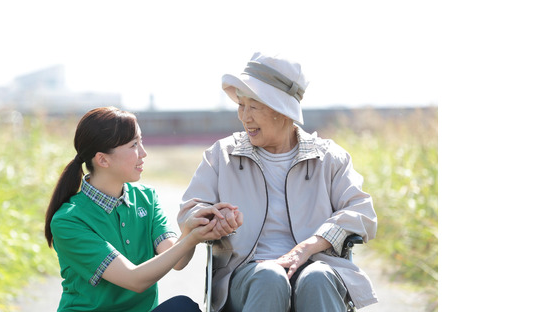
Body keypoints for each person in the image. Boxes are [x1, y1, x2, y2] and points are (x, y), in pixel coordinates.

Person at [178, 52, 378, 312]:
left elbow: (362, 211)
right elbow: (189, 212)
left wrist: (309, 247)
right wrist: (213, 217)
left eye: (254, 107)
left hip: (318, 269)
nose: (244, 116)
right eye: (241, 105)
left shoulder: (329, 157)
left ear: (282, 111)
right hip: (247, 276)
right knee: (269, 275)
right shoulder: (221, 155)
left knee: (317, 277)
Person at [44, 106, 234, 312]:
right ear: (102, 159)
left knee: (183, 307)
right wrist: (190, 238)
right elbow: (133, 279)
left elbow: (177, 260)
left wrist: (192, 228)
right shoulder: (68, 220)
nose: (143, 153)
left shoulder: (146, 198)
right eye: (134, 145)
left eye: (141, 141)